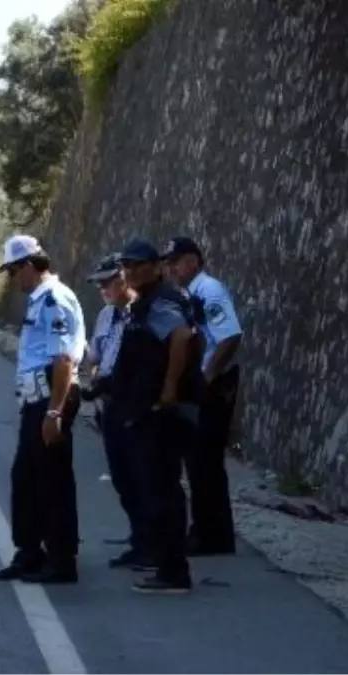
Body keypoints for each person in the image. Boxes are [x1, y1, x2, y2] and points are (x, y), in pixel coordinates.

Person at [0, 235, 85, 585]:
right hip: (37, 400)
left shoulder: (53, 299)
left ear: (29, 265)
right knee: (26, 479)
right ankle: (29, 552)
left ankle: (61, 560)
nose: (12, 279)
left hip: (51, 398)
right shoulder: (38, 299)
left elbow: (62, 360)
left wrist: (55, 412)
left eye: (14, 271)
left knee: (52, 482)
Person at [111, 238, 204, 594]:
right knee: (156, 489)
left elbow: (181, 337)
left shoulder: (161, 301)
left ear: (155, 267)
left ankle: (172, 571)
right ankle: (167, 565)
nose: (131, 271)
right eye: (127, 266)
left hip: (163, 413)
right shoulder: (145, 303)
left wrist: (168, 388)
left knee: (162, 491)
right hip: (148, 411)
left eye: (138, 265)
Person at [163, 236, 240, 556]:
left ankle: (212, 536)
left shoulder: (209, 290)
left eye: (176, 261)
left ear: (193, 261)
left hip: (215, 383)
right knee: (198, 461)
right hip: (204, 383)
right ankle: (208, 531)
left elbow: (230, 335)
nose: (172, 269)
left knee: (205, 460)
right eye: (169, 263)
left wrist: (207, 377)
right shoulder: (189, 293)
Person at [81, 253, 149, 568]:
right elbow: (94, 356)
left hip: (135, 405)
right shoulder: (107, 316)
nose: (102, 290)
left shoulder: (141, 314)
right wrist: (93, 381)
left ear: (123, 279)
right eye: (98, 285)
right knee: (121, 477)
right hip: (108, 404)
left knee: (143, 477)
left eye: (106, 283)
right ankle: (139, 538)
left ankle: (153, 544)